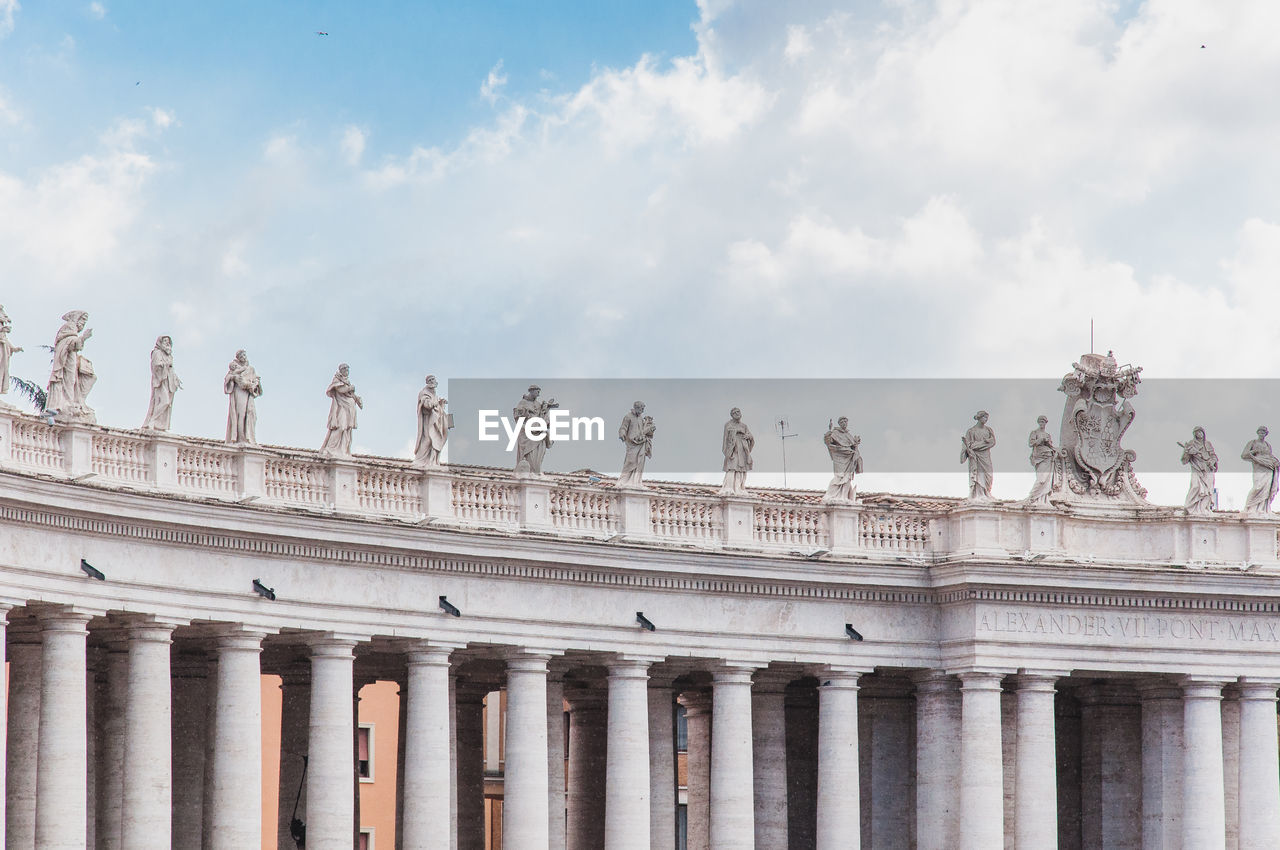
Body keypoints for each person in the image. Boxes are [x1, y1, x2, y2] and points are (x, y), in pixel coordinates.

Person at [46, 310, 96, 419]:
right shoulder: (69, 328)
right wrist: (84, 337)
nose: (83, 323)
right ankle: (67, 403)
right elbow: (72, 344)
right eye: (83, 319)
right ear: (76, 318)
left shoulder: (71, 330)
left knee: (73, 380)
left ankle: (71, 401)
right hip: (66, 362)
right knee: (69, 380)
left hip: (69, 359)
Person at [320, 364, 363, 457]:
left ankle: (344, 451)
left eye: (347, 370)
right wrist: (350, 388)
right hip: (341, 407)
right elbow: (341, 390)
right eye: (345, 369)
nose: (346, 371)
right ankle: (331, 448)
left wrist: (356, 397)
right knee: (340, 427)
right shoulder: (337, 380)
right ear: (341, 370)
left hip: (349, 409)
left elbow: (350, 394)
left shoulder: (347, 381)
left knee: (347, 430)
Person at [513, 385, 557, 475]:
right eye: (537, 392)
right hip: (527, 429)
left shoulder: (538, 404)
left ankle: (536, 470)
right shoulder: (523, 403)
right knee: (529, 454)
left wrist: (545, 409)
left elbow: (543, 417)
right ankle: (530, 471)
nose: (538, 394)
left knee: (543, 435)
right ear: (531, 391)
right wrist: (527, 413)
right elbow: (518, 416)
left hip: (537, 427)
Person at [141, 335, 181, 430]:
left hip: (169, 382)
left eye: (168, 341)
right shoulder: (157, 353)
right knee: (164, 402)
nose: (167, 343)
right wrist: (166, 366)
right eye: (165, 341)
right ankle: (152, 420)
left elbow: (171, 369)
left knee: (167, 403)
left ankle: (159, 425)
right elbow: (156, 366)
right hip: (160, 381)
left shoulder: (169, 355)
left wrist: (175, 377)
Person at [224, 350, 263, 444]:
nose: (243, 357)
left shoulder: (251, 369)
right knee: (240, 414)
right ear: (238, 358)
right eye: (241, 356)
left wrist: (255, 383)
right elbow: (228, 380)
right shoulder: (234, 369)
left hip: (248, 394)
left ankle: (248, 437)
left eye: (244, 355)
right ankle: (241, 438)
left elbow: (257, 386)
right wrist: (234, 378)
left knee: (250, 414)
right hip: (239, 392)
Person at [823, 416, 862, 503]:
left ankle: (844, 497)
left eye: (845, 422)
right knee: (839, 476)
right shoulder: (835, 433)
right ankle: (833, 495)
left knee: (847, 478)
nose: (844, 423)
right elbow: (828, 442)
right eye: (842, 422)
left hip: (849, 458)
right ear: (839, 424)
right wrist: (829, 431)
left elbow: (853, 447)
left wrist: (856, 443)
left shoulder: (849, 435)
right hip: (839, 457)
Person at [413, 374, 449, 468]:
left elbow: (435, 405)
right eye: (430, 380)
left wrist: (441, 403)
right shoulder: (424, 393)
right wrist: (436, 402)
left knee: (435, 439)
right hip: (428, 421)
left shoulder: (434, 393)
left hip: (435, 421)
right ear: (427, 382)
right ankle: (421, 460)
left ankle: (433, 461)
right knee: (428, 440)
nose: (432, 381)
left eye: (433, 379)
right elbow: (427, 405)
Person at [1242, 426, 1279, 515]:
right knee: (1258, 487)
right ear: (1257, 432)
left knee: (1267, 488)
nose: (1262, 434)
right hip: (1258, 466)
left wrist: (1276, 461)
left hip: (1269, 467)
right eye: (1260, 432)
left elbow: (1269, 456)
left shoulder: (1268, 445)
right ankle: (1249, 507)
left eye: (1264, 432)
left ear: (1266, 434)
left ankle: (1262, 509)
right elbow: (1244, 455)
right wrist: (1253, 452)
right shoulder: (1252, 442)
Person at [1180, 426, 1217, 515]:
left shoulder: (1207, 444)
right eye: (1197, 432)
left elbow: (1213, 456)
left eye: (1201, 432)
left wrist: (1211, 462)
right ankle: (1189, 507)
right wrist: (1187, 452)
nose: (1199, 434)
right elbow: (1184, 461)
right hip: (1197, 469)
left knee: (1208, 490)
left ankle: (1203, 509)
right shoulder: (1191, 444)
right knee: (1195, 486)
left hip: (1207, 469)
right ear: (1194, 434)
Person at [618, 401, 655, 489]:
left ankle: (636, 481)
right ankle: (623, 481)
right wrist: (622, 434)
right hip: (632, 443)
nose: (643, 411)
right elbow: (623, 427)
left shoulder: (640, 418)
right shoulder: (628, 417)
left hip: (640, 442)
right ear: (637, 407)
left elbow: (642, 431)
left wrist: (650, 429)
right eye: (642, 409)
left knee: (639, 463)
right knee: (630, 462)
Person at [961, 410, 996, 501]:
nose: (986, 419)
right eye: (984, 417)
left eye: (987, 418)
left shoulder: (989, 430)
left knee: (988, 474)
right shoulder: (971, 431)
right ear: (979, 418)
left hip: (986, 456)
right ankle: (979, 494)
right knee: (978, 475)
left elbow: (992, 442)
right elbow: (969, 446)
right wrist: (983, 443)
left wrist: (980, 445)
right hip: (976, 457)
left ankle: (987, 493)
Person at [720, 407, 754, 496]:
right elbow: (726, 439)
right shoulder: (728, 425)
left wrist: (748, 437)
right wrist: (727, 453)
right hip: (733, 450)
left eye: (738, 412)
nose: (737, 413)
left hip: (743, 451)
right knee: (732, 468)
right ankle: (729, 487)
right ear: (732, 415)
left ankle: (739, 488)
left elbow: (750, 436)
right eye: (735, 412)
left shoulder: (744, 426)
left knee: (742, 470)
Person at [1026, 415, 1055, 504]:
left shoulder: (1048, 435)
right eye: (1040, 422)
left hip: (1048, 456)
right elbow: (1031, 443)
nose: (1042, 423)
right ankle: (1032, 497)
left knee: (1045, 479)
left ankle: (1042, 499)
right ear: (1038, 422)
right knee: (1041, 479)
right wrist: (1040, 440)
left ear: (1046, 423)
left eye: (1043, 422)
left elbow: (1051, 446)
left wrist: (1049, 444)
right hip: (1039, 457)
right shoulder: (1034, 432)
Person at [0, 305, 22, 403]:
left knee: (2, 370)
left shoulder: (2, 329)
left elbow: (5, 339)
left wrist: (13, 348)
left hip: (3, 351)